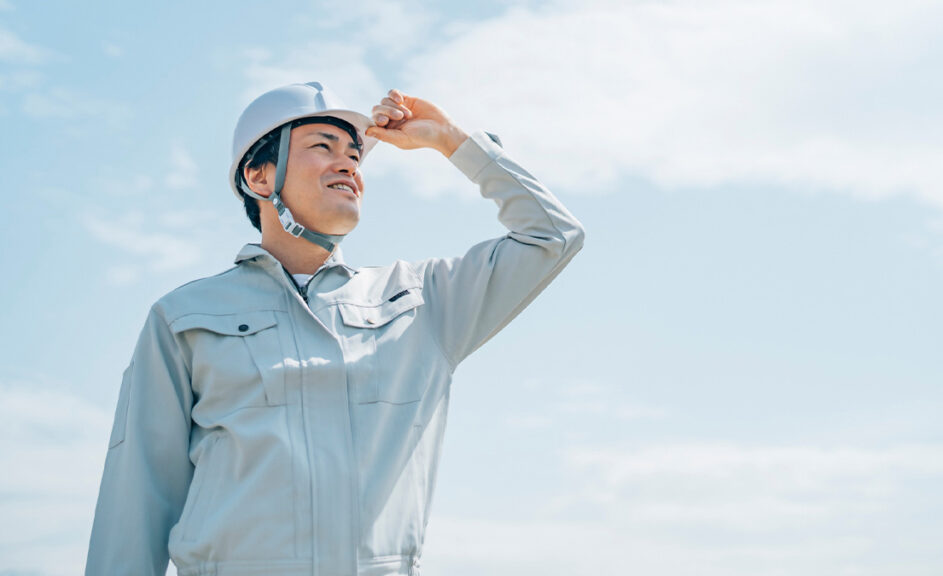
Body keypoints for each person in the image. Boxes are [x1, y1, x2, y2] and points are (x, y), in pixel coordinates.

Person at [84, 81, 584, 576]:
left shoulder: (424, 301)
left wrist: (450, 140)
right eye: (322, 147)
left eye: (354, 154)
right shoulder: (184, 317)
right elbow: (135, 501)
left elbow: (553, 236)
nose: (348, 163)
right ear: (259, 178)